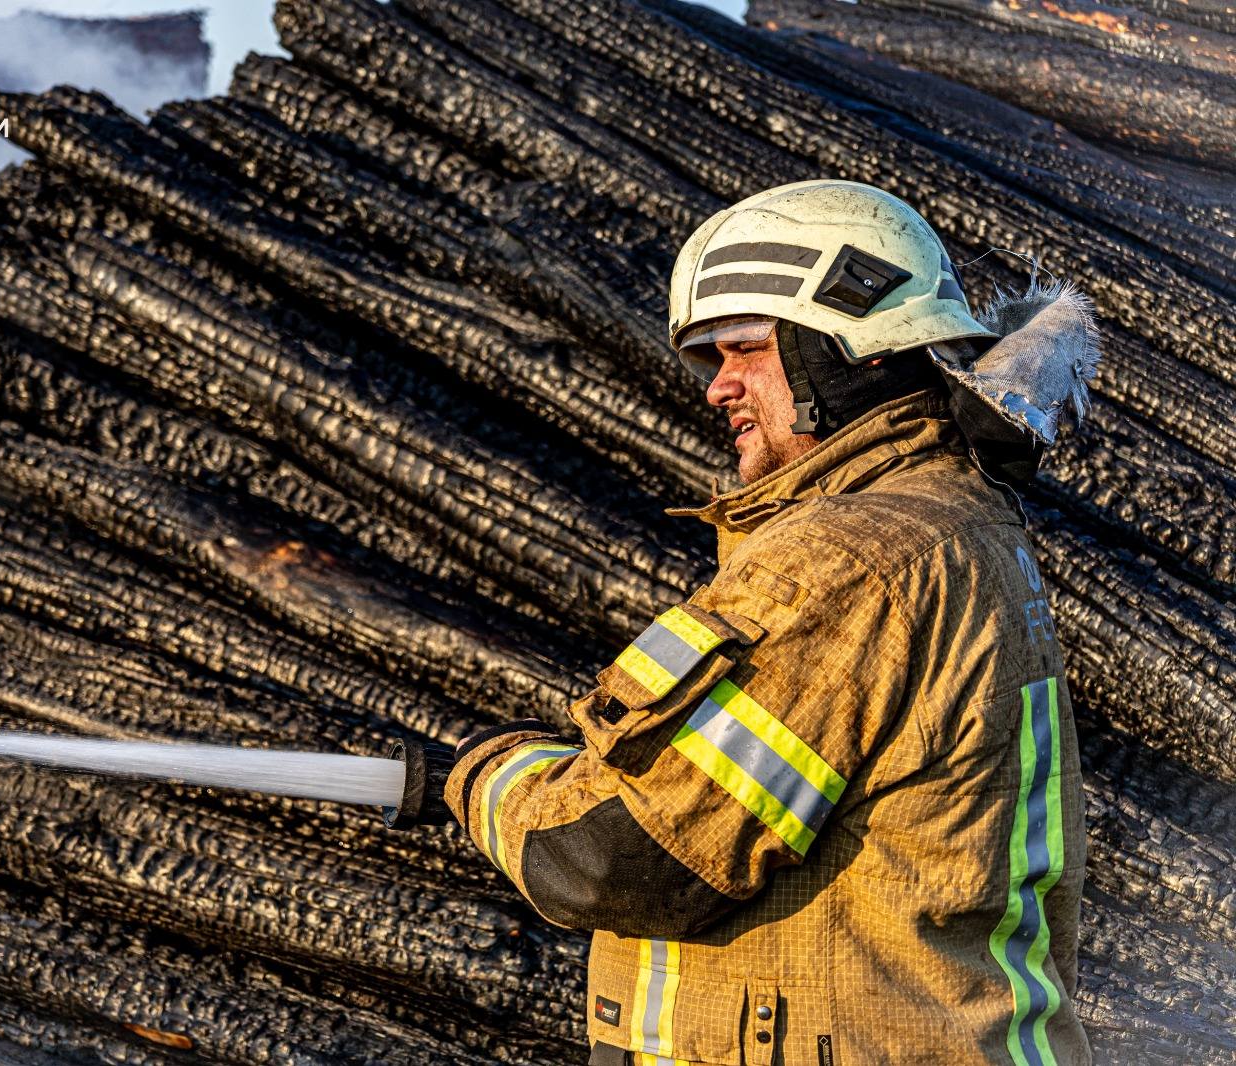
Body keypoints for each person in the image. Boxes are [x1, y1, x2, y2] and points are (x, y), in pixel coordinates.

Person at [442, 180, 1097, 1065]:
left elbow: (616, 854)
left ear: (848, 350)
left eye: (746, 348)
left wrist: (485, 774)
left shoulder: (849, 561)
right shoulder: (943, 523)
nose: (717, 387)